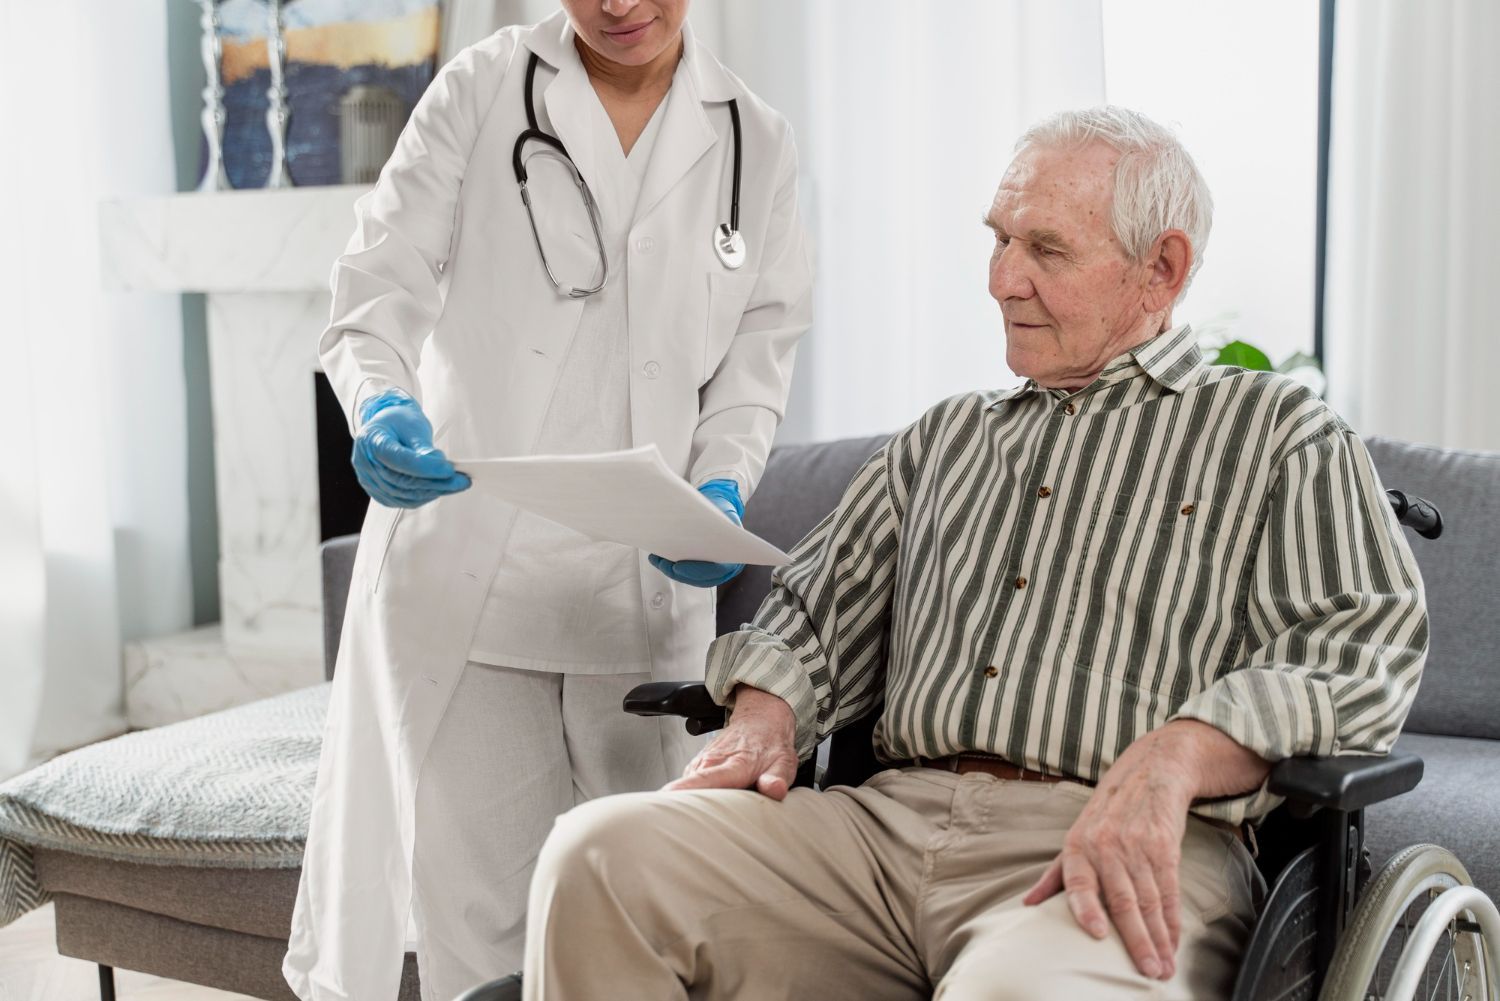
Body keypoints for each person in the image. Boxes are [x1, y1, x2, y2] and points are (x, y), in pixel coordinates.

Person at [521, 107, 1429, 1000]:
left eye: (1047, 250)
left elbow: (1362, 648)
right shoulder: (943, 439)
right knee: (595, 857)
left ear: (1162, 269)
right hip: (879, 836)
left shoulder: (1277, 433)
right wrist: (766, 711)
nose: (1002, 280)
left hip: (1119, 843)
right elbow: (810, 615)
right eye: (998, 240)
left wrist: (1181, 752)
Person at [282, 1, 812, 998]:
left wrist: (723, 481)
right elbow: (372, 294)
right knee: (480, 941)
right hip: (475, 586)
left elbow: (756, 362)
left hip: (639, 598)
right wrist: (382, 403)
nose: (617, 7)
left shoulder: (754, 140)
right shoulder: (482, 92)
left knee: (640, 931)